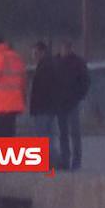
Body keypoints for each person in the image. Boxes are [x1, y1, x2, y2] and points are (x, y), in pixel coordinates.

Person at [55, 41, 90, 170]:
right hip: (59, 104)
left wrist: (78, 97)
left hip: (73, 103)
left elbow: (85, 81)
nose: (65, 50)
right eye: (63, 48)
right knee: (63, 134)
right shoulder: (55, 62)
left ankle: (76, 162)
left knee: (75, 133)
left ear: (71, 49)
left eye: (67, 48)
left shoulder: (78, 62)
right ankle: (65, 160)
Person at [0, 37, 26, 137]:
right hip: (14, 103)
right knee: (10, 133)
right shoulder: (16, 56)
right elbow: (23, 81)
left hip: (0, 104)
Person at [28, 41, 60, 164]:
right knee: (50, 137)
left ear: (41, 52)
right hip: (50, 107)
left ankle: (47, 162)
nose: (33, 55)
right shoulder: (50, 64)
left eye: (35, 52)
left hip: (42, 108)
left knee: (43, 136)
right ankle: (52, 162)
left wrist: (35, 107)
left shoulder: (44, 67)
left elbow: (41, 90)